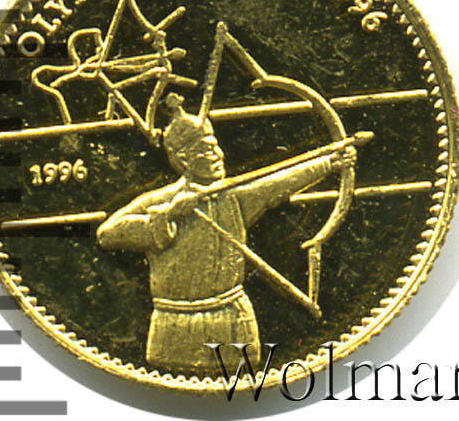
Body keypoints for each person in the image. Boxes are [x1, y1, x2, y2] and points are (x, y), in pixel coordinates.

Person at [96, 95, 355, 371]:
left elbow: (276, 184)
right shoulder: (162, 200)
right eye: (206, 151)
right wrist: (169, 214)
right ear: (183, 160)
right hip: (177, 325)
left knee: (248, 383)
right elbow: (107, 234)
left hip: (234, 317)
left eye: (216, 147)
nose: (218, 156)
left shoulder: (232, 196)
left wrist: (330, 163)